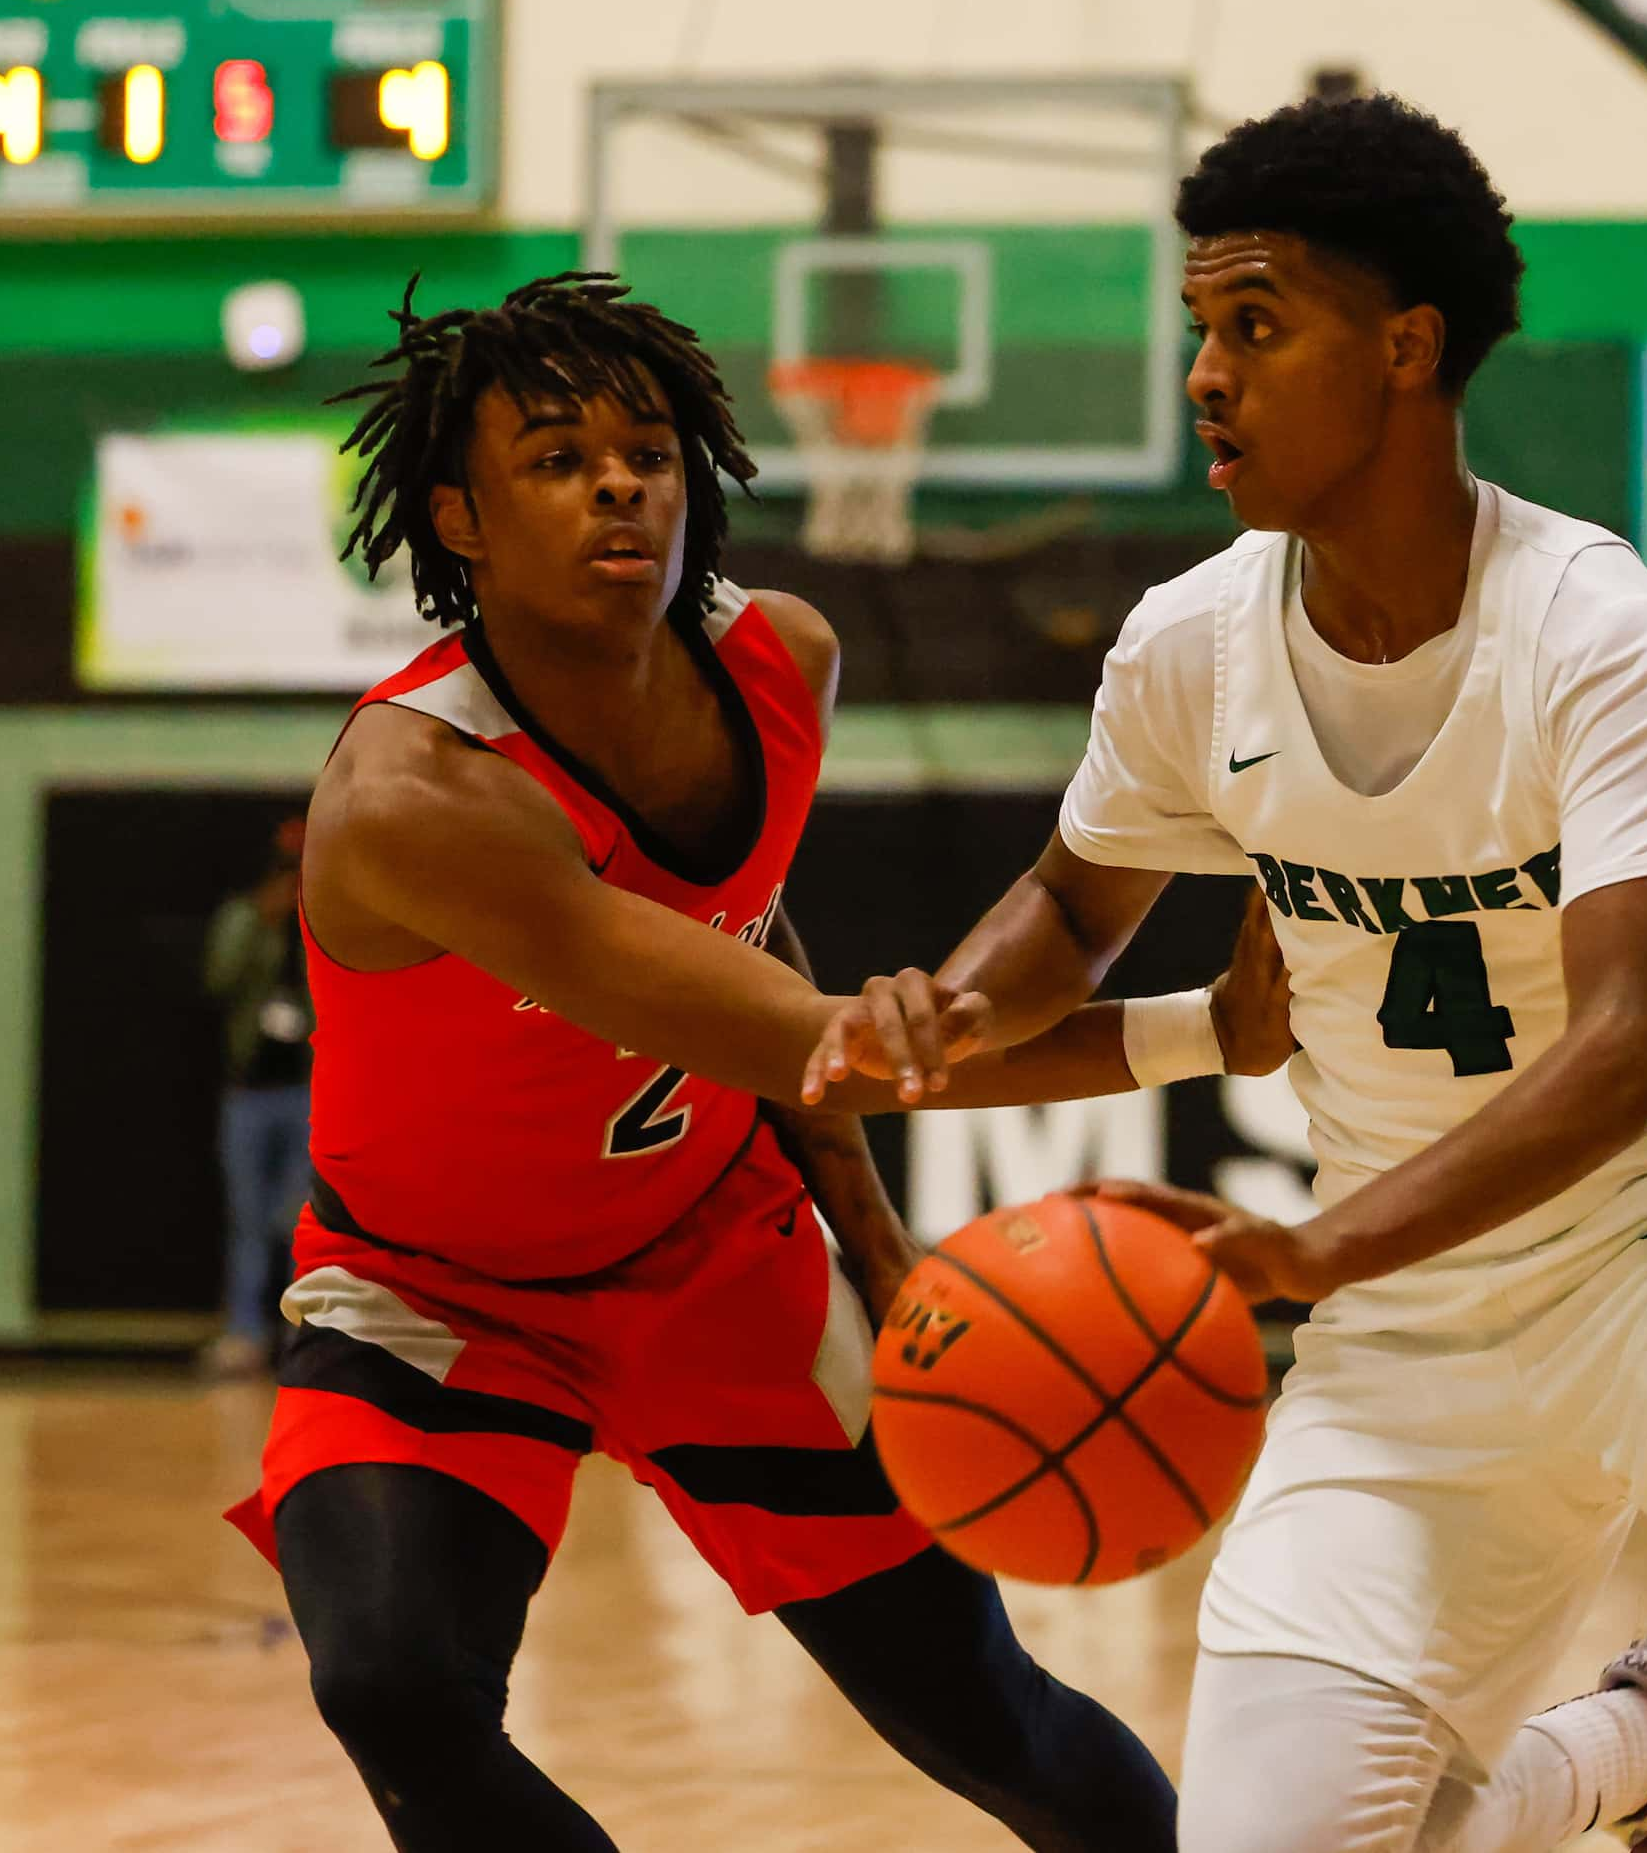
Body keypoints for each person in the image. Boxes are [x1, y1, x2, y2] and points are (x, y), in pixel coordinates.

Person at [807, 96, 1647, 1853]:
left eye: (1254, 327)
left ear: (1405, 348)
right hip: (1405, 1334)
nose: (1203, 376)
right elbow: (1066, 908)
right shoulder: (1185, 647)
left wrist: (1315, 1245)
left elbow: (1626, 1046)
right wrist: (947, 1009)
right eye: (1200, 328)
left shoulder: (1589, 623)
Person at [220, 271, 1291, 1853]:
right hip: (434, 1296)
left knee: (984, 1712)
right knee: (394, 1688)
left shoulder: (783, 660)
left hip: (712, 1261)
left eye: (648, 449)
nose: (620, 484)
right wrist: (1204, 1028)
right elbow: (819, 1040)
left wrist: (867, 1236)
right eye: (558, 456)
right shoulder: (414, 800)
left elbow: (758, 949)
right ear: (458, 519)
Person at [200, 818, 316, 1377]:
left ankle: (303, 1336)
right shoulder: (244, 918)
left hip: (309, 1093)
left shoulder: (329, 922)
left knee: (301, 1219)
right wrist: (261, 927)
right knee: (248, 1219)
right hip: (250, 1094)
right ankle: (245, 1334)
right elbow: (218, 980)